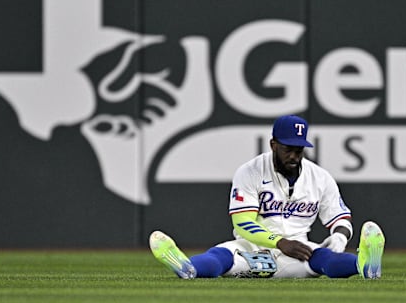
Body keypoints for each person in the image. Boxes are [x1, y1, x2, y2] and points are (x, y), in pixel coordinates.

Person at [149, 114, 385, 279]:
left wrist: (340, 238)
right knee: (221, 257)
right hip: (252, 248)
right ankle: (186, 267)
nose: (293, 156)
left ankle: (363, 265)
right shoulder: (250, 171)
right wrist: (280, 243)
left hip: (298, 250)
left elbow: (340, 218)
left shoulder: (319, 177)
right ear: (273, 144)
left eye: (298, 150)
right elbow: (242, 223)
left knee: (323, 259)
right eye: (287, 149)